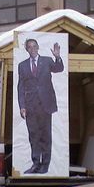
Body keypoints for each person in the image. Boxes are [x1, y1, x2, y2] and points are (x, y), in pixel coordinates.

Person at [18, 38, 64, 174]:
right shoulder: (22, 65)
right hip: (31, 106)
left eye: (34, 46)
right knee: (33, 136)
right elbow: (20, 87)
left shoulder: (48, 60)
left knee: (45, 135)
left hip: (45, 104)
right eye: (29, 47)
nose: (32, 49)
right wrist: (22, 106)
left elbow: (59, 69)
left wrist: (57, 57)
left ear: (38, 47)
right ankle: (36, 164)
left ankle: (45, 164)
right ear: (26, 50)